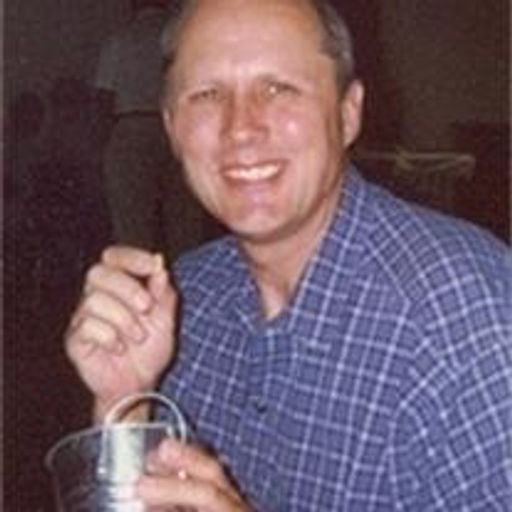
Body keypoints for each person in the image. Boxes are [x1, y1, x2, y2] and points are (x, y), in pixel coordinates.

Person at [66, 0, 511, 510]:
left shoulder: (470, 318)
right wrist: (126, 402)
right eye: (207, 94)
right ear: (170, 127)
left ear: (348, 113)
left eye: (278, 88)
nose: (241, 127)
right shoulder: (183, 299)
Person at [94, 0, 204, 259]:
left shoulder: (120, 41)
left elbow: (103, 99)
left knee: (132, 227)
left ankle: (134, 281)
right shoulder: (178, 39)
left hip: (131, 127)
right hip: (175, 128)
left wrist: (101, 146)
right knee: (184, 225)